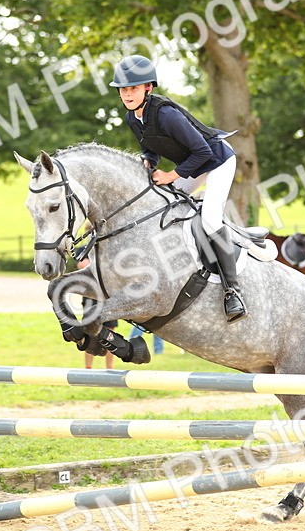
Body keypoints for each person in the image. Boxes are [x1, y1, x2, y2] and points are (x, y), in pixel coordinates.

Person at [110, 53, 247, 321]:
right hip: (192, 164)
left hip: (217, 159)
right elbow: (149, 149)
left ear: (148, 88)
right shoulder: (132, 118)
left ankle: (233, 291)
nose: (127, 94)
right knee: (164, 208)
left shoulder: (167, 115)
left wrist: (172, 176)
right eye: (123, 89)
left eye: (133, 88)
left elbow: (204, 152)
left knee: (209, 219)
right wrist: (147, 161)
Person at [78, 257, 117, 369]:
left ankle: (110, 368)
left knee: (110, 335)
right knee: (90, 334)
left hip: (108, 298)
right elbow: (82, 265)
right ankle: (88, 368)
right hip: (90, 300)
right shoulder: (85, 248)